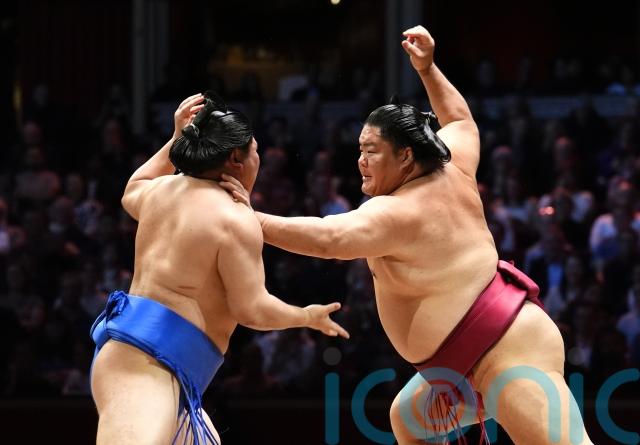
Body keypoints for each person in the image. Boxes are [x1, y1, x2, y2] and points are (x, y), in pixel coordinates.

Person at [221, 26, 592, 444]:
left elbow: (327, 239)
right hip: (457, 365)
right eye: (360, 150)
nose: (361, 161)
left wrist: (248, 217)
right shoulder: (453, 162)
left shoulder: (399, 212)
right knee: (410, 420)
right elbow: (459, 120)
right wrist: (428, 69)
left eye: (372, 151)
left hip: (507, 350)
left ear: (406, 155)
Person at [89, 91, 349, 445]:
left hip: (155, 369)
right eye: (255, 151)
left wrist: (175, 137)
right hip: (145, 371)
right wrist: (306, 316)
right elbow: (252, 309)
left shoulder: (162, 191)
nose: (257, 159)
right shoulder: (233, 218)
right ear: (235, 159)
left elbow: (133, 188)